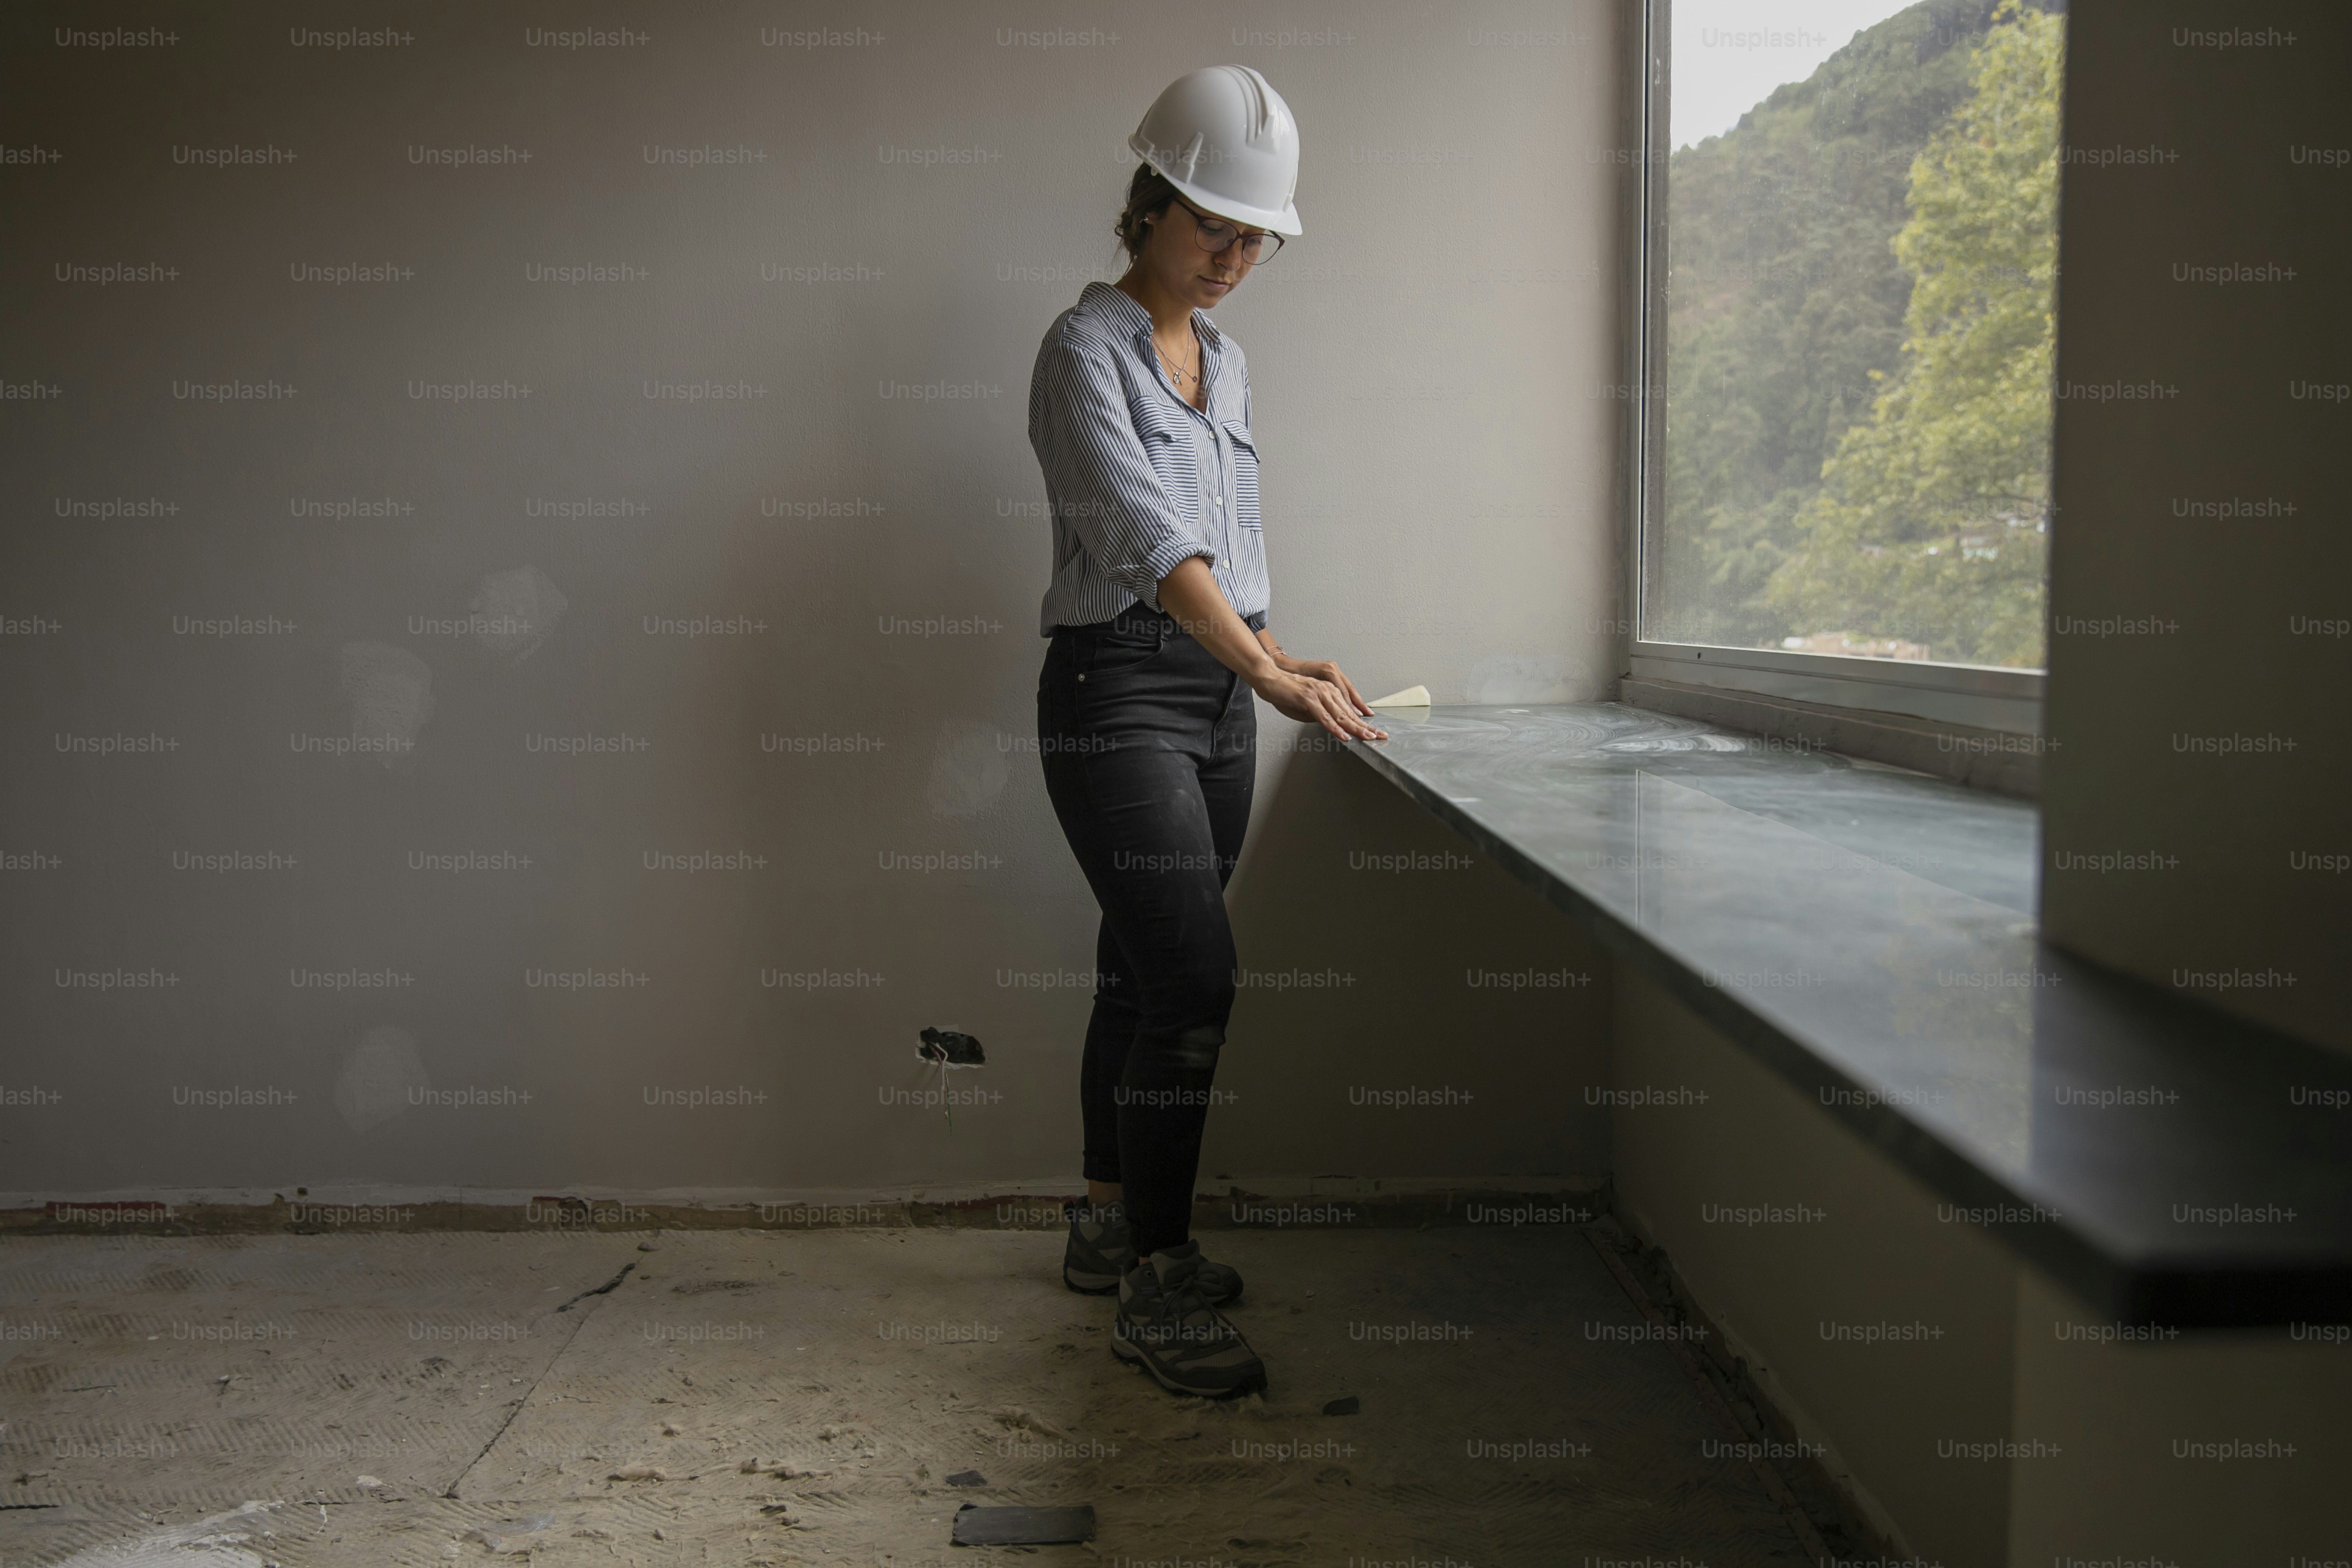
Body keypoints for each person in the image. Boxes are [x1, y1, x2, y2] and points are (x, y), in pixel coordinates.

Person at [1026, 65, 1385, 1399]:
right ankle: (1158, 1284)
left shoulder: (1222, 360)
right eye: (1210, 229)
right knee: (1194, 979)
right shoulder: (1081, 352)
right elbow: (1146, 540)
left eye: (1254, 239)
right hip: (1114, 692)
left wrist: (1272, 659)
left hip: (1214, 690)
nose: (1233, 260)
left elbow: (1224, 554)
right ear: (1145, 208)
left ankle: (1106, 1221)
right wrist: (1263, 668)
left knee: (1140, 969)